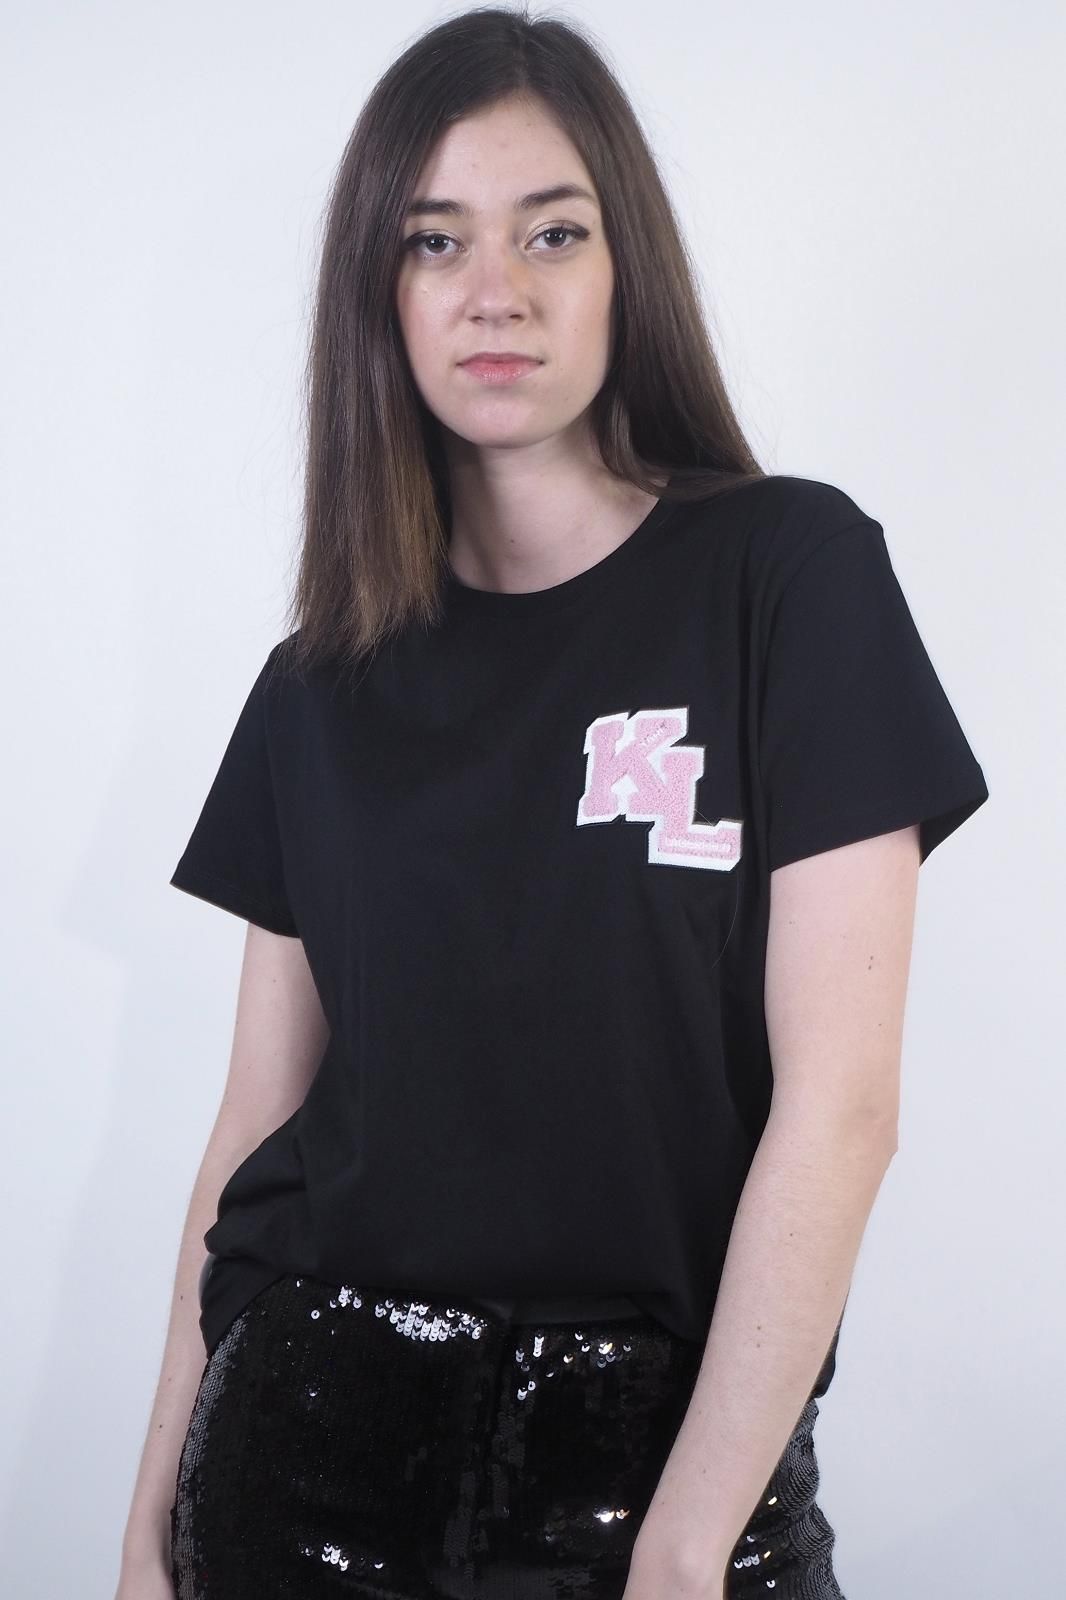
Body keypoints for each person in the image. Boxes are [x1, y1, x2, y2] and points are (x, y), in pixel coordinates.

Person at [116, 9, 990, 1600]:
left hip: (668, 1476)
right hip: (298, 1462)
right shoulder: (318, 684)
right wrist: (144, 1522)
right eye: (433, 239)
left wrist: (684, 1548)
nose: (494, 291)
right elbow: (253, 1125)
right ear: (378, 292)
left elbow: (841, 1107)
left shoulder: (786, 577)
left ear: (622, 264)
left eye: (552, 231)